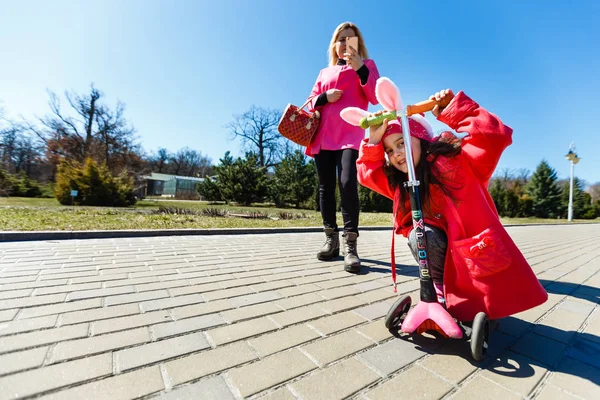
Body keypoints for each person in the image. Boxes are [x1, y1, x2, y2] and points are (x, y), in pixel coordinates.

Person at [356, 89, 547, 322]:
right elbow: (367, 175)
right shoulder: (401, 184)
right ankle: (437, 294)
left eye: (401, 143)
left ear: (421, 140)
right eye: (389, 150)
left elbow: (494, 136)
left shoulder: (458, 161)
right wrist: (372, 142)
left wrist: (454, 109)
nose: (397, 154)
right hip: (436, 252)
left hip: (473, 253)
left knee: (479, 304)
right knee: (420, 235)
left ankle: (464, 306)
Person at [305, 22, 380, 273]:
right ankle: (331, 238)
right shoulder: (324, 72)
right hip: (324, 136)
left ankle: (351, 245)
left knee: (347, 182)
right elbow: (310, 103)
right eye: (341, 39)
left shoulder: (367, 66)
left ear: (358, 43)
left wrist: (359, 68)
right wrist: (325, 97)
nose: (345, 43)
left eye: (351, 38)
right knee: (326, 187)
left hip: (350, 133)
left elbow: (375, 96)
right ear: (334, 45)